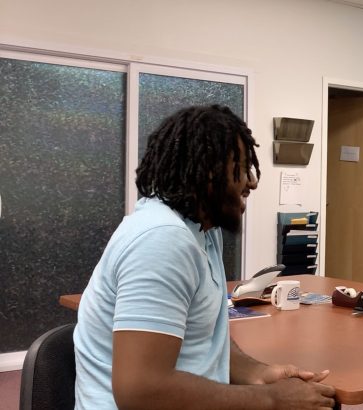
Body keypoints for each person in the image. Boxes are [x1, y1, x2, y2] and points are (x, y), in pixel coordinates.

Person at [74, 105, 336, 409]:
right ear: (206, 173)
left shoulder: (203, 229)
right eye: (239, 167)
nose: (251, 183)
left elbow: (204, 334)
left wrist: (259, 373)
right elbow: (140, 391)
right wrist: (271, 399)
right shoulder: (163, 240)